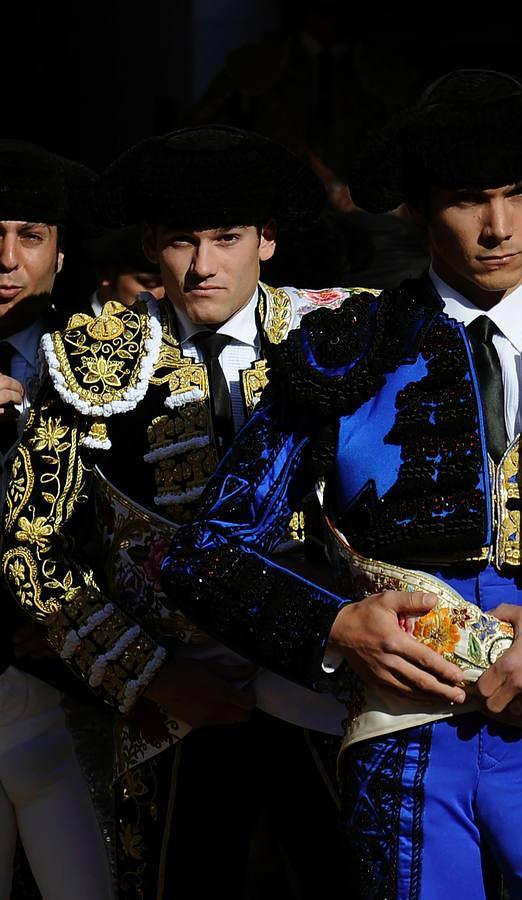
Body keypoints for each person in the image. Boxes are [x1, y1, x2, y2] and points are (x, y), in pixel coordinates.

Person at [162, 69, 522, 899]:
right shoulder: (345, 347)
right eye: (469, 198)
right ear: (418, 205)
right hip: (404, 735)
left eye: (521, 193)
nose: (500, 226)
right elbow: (208, 552)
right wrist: (337, 624)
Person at [0, 125, 350, 899]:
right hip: (182, 709)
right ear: (152, 243)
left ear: (266, 240)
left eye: (226, 238)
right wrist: (154, 676)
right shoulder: (85, 357)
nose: (202, 266)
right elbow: (33, 551)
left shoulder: (343, 330)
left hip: (333, 685)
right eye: (182, 241)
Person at [0, 140, 113, 899]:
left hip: (66, 679)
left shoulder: (100, 366)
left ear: (61, 253)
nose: (6, 258)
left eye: (29, 237)